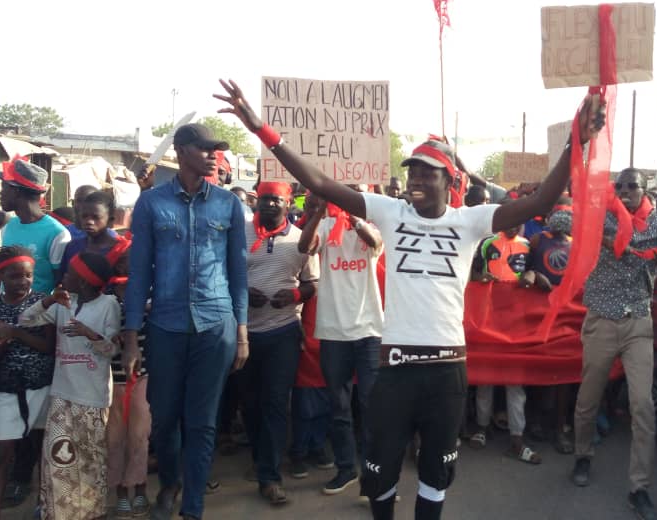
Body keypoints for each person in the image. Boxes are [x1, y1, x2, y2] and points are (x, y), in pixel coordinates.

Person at [216, 78, 604, 520]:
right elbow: (319, 181)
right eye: (413, 170)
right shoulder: (391, 213)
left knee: (436, 477)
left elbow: (541, 201)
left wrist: (577, 139)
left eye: (427, 172)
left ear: (448, 180)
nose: (416, 178)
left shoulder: (470, 222)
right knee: (379, 476)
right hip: (395, 369)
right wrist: (262, 131)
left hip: (446, 372)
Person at [123, 123, 249, 520]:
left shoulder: (228, 205)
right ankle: (171, 483)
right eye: (205, 148)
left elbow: (238, 273)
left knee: (202, 422)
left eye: (217, 150)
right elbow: (139, 272)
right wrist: (130, 337)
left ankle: (192, 505)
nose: (214, 155)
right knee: (164, 419)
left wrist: (242, 332)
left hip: (216, 326)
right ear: (180, 151)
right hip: (165, 326)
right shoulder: (151, 204)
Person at [568, 169, 657, 520]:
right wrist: (597, 229)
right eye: (619, 186)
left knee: (643, 406)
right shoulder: (601, 217)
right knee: (588, 399)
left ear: (645, 190)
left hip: (638, 322)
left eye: (632, 185)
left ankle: (639, 488)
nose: (624, 191)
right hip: (601, 320)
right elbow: (557, 216)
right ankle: (582, 455)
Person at [19, 251, 121, 520]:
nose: (63, 277)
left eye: (69, 274)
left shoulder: (109, 304)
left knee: (91, 460)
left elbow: (112, 350)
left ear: (85, 282)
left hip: (93, 399)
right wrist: (49, 300)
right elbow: (26, 320)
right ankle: (57, 512)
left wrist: (90, 334)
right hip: (62, 395)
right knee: (57, 458)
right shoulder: (63, 303)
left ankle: (92, 512)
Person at [298, 187, 385, 496]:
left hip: (369, 331)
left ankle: (375, 473)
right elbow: (303, 246)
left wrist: (352, 217)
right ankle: (346, 469)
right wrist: (320, 210)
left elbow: (375, 244)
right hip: (333, 332)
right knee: (339, 406)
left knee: (371, 406)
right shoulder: (323, 227)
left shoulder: (370, 228)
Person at [237, 181, 319, 505]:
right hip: (244, 334)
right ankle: (260, 459)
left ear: (288, 204)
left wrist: (296, 294)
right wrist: (243, 294)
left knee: (274, 403)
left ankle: (269, 476)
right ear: (257, 202)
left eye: (277, 200)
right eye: (265, 200)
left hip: (283, 331)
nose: (270, 205)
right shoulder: (239, 234)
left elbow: (313, 283)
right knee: (250, 403)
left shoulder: (302, 241)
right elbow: (226, 276)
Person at [0, 247, 54, 520]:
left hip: (42, 387)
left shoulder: (43, 302)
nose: (23, 282)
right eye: (15, 276)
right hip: (8, 389)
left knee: (44, 454)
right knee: (0, 456)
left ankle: (45, 509)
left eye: (28, 276)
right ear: (0, 276)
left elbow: (49, 347)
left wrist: (15, 332)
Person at [469, 219, 540, 464]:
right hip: (488, 317)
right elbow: (472, 272)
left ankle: (517, 439)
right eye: (508, 222)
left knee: (515, 382)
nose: (512, 226)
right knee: (485, 378)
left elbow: (537, 274)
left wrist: (531, 275)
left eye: (517, 222)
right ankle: (481, 428)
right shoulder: (486, 243)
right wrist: (480, 277)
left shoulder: (528, 246)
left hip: (516, 321)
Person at [521, 210, 577, 455]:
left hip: (566, 313)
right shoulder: (537, 240)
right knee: (535, 368)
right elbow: (525, 270)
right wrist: (535, 276)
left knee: (563, 373)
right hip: (537, 310)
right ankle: (533, 423)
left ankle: (559, 427)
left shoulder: (576, 245)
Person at [105, 254, 151, 519]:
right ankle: (121, 491)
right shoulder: (107, 298)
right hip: (113, 380)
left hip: (143, 377)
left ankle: (140, 488)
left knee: (140, 435)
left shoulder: (150, 292)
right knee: (114, 438)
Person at [0, 157, 72, 293]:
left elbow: (59, 281)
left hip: (39, 311)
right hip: (6, 309)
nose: (0, 193)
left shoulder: (57, 233)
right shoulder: (8, 225)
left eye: (4, 187)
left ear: (16, 191)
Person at [60, 190, 128, 274]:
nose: (89, 221)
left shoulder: (122, 251)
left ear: (110, 220)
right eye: (84, 216)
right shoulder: (72, 246)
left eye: (96, 217)